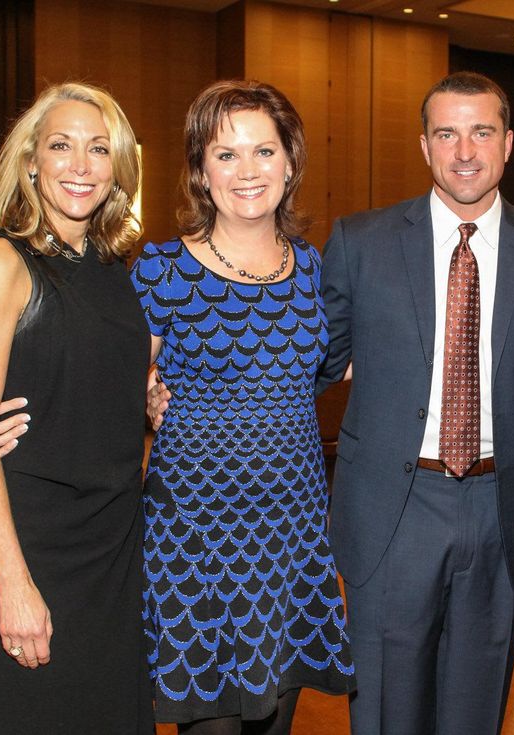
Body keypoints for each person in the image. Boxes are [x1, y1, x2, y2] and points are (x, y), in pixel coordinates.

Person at [316, 71, 514, 734]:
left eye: (481, 131)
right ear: (424, 145)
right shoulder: (361, 243)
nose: (465, 150)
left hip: (502, 511)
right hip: (392, 510)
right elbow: (309, 365)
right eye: (447, 133)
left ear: (508, 142)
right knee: (386, 710)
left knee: (476, 706)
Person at [128, 80, 355, 734]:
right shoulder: (163, 271)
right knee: (213, 724)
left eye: (264, 150)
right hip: (194, 541)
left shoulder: (314, 268)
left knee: (278, 722)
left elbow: (334, 365)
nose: (247, 170)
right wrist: (141, 391)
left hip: (294, 536)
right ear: (201, 170)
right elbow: (108, 378)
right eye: (225, 154)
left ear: (291, 161)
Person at [0, 82, 153, 733]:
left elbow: (100, 387)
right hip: (35, 545)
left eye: (98, 148)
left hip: (117, 551)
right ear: (31, 160)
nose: (80, 163)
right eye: (61, 145)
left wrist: (147, 397)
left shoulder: (116, 270)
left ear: (117, 166)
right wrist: (13, 582)